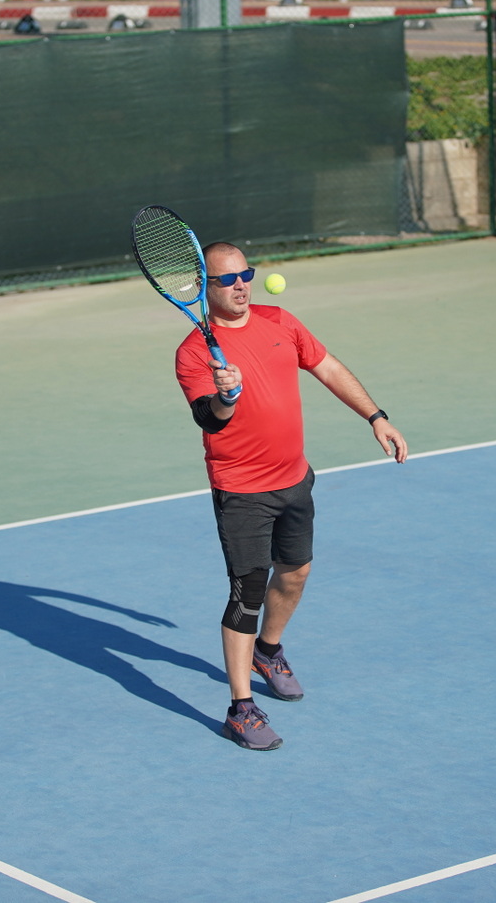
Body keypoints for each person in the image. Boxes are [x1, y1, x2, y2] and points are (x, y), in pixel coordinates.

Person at [175, 242, 408, 751]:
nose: (240, 286)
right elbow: (207, 417)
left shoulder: (279, 320)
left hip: (294, 478)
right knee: (247, 593)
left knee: (296, 572)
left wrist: (376, 417)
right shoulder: (194, 351)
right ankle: (240, 709)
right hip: (242, 490)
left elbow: (328, 367)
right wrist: (226, 397)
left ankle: (269, 650)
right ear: (205, 287)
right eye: (227, 280)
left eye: (246, 275)